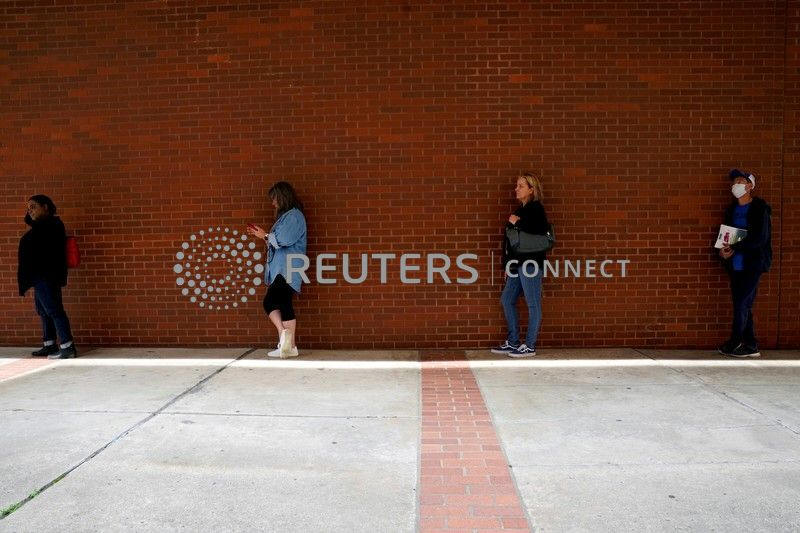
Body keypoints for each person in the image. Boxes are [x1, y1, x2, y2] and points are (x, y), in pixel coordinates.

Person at [491, 172, 550, 357]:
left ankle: (529, 345)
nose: (516, 189)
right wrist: (507, 265)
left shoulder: (536, 208)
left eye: (521, 186)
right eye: (516, 186)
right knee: (507, 299)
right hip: (516, 265)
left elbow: (540, 230)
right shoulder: (519, 210)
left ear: (531, 190)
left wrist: (518, 223)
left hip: (531, 264)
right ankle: (513, 341)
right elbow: (509, 243)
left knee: (533, 304)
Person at [247, 182, 307, 358]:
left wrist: (264, 235)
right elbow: (276, 241)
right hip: (282, 267)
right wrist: (263, 236)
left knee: (272, 301)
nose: (273, 203)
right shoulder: (288, 217)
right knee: (281, 303)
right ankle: (289, 346)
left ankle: (285, 338)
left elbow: (284, 240)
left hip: (287, 267)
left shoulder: (294, 216)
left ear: (282, 197)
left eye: (274, 199)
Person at [717, 169, 772, 358]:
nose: (735, 185)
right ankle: (751, 344)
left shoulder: (759, 209)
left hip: (753, 264)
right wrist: (722, 251)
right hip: (735, 265)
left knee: (741, 303)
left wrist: (735, 246)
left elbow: (760, 239)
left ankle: (735, 342)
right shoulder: (732, 210)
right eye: (734, 182)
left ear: (750, 186)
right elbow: (725, 235)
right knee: (743, 304)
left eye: (740, 181)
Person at [17, 195, 77, 359]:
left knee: (54, 310)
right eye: (28, 208)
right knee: (43, 311)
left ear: (45, 207)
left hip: (48, 276)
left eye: (33, 207)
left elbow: (43, 249)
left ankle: (67, 347)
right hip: (39, 277)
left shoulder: (53, 225)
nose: (30, 211)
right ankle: (49, 344)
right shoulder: (40, 227)